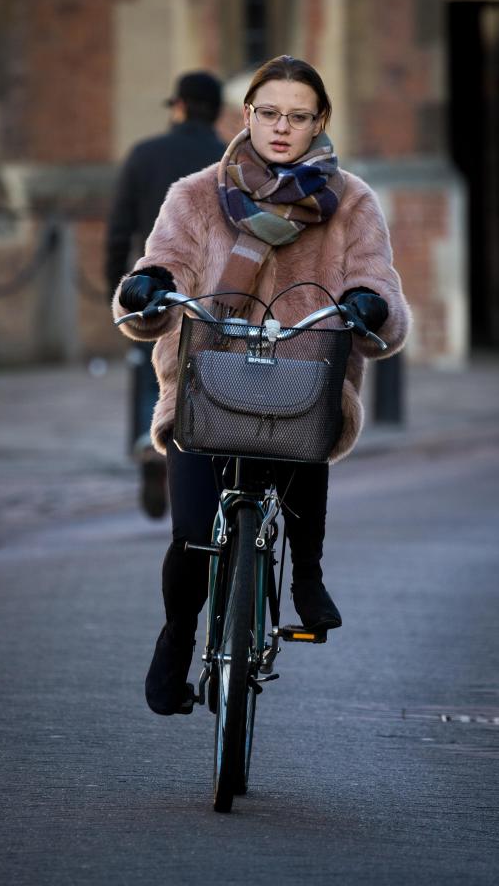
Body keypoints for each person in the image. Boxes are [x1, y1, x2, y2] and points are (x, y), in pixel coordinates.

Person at [112, 55, 411, 715]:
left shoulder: (352, 201)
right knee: (191, 532)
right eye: (269, 113)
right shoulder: (194, 194)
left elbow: (375, 278)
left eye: (298, 116)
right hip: (203, 381)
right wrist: (147, 286)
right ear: (246, 115)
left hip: (300, 383)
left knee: (309, 419)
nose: (281, 128)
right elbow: (164, 262)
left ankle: (306, 572)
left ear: (319, 122)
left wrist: (367, 304)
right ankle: (177, 636)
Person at [105, 71, 225, 517]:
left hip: (155, 291)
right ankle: (203, 462)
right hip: (216, 294)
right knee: (212, 379)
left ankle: (151, 446)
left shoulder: (144, 155)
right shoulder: (227, 159)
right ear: (216, 111)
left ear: (178, 107)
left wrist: (116, 295)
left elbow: (118, 233)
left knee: (151, 374)